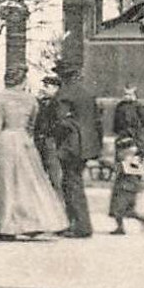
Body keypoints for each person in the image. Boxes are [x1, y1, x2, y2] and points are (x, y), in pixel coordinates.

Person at [0, 66, 68, 240]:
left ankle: (7, 227)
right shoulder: (31, 100)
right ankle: (33, 223)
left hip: (6, 140)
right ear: (23, 82)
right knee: (29, 182)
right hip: (24, 141)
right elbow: (32, 124)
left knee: (7, 183)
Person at [54, 59, 102, 176]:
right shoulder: (87, 93)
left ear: (62, 76)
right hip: (87, 146)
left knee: (69, 181)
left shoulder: (63, 94)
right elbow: (97, 121)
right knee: (77, 179)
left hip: (70, 144)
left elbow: (60, 120)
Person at [53, 99, 93, 238]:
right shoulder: (79, 123)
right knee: (72, 188)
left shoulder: (68, 125)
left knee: (72, 189)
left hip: (71, 157)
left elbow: (69, 144)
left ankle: (80, 226)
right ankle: (76, 224)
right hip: (76, 156)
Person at [109, 138, 144, 235]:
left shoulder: (129, 159)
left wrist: (110, 164)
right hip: (131, 188)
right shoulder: (136, 160)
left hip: (124, 188)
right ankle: (140, 219)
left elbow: (121, 169)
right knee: (127, 210)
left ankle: (120, 227)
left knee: (118, 209)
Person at [34, 73, 65, 193]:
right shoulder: (43, 102)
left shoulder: (59, 103)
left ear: (56, 88)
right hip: (42, 141)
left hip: (52, 142)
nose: (43, 88)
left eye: (47, 86)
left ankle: (59, 203)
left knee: (55, 175)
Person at [112, 84, 144, 153]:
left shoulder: (137, 106)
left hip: (134, 132)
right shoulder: (122, 106)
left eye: (129, 94)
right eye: (126, 94)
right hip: (129, 133)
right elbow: (117, 123)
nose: (127, 96)